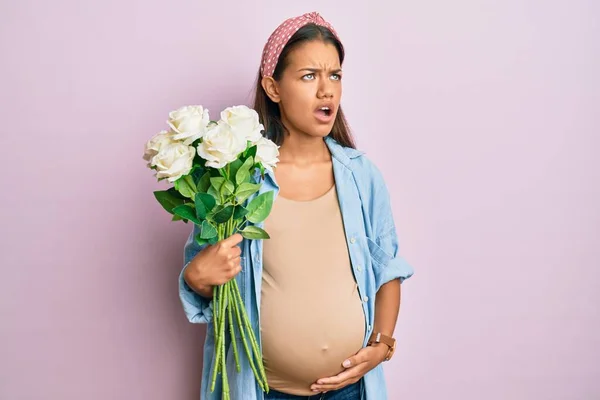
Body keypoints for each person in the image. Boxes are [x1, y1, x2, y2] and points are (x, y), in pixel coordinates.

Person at [179, 11, 414, 400]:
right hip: (263, 390)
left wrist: (381, 345)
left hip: (350, 390)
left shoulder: (361, 176)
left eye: (334, 76)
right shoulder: (238, 181)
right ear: (273, 88)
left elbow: (387, 267)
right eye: (309, 76)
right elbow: (202, 278)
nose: (327, 91)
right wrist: (196, 275)